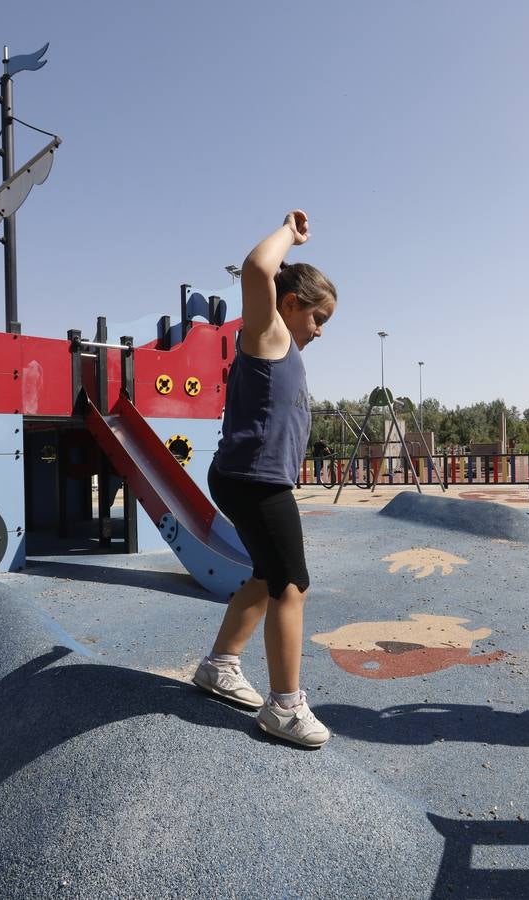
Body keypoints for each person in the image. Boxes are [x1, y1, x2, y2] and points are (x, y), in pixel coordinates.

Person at [192, 210, 337, 748]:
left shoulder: (289, 351)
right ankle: (285, 707)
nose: (319, 330)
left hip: (252, 478)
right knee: (292, 585)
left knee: (265, 575)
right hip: (253, 480)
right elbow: (257, 269)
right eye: (318, 318)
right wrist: (289, 236)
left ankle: (219, 665)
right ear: (291, 304)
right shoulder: (269, 331)